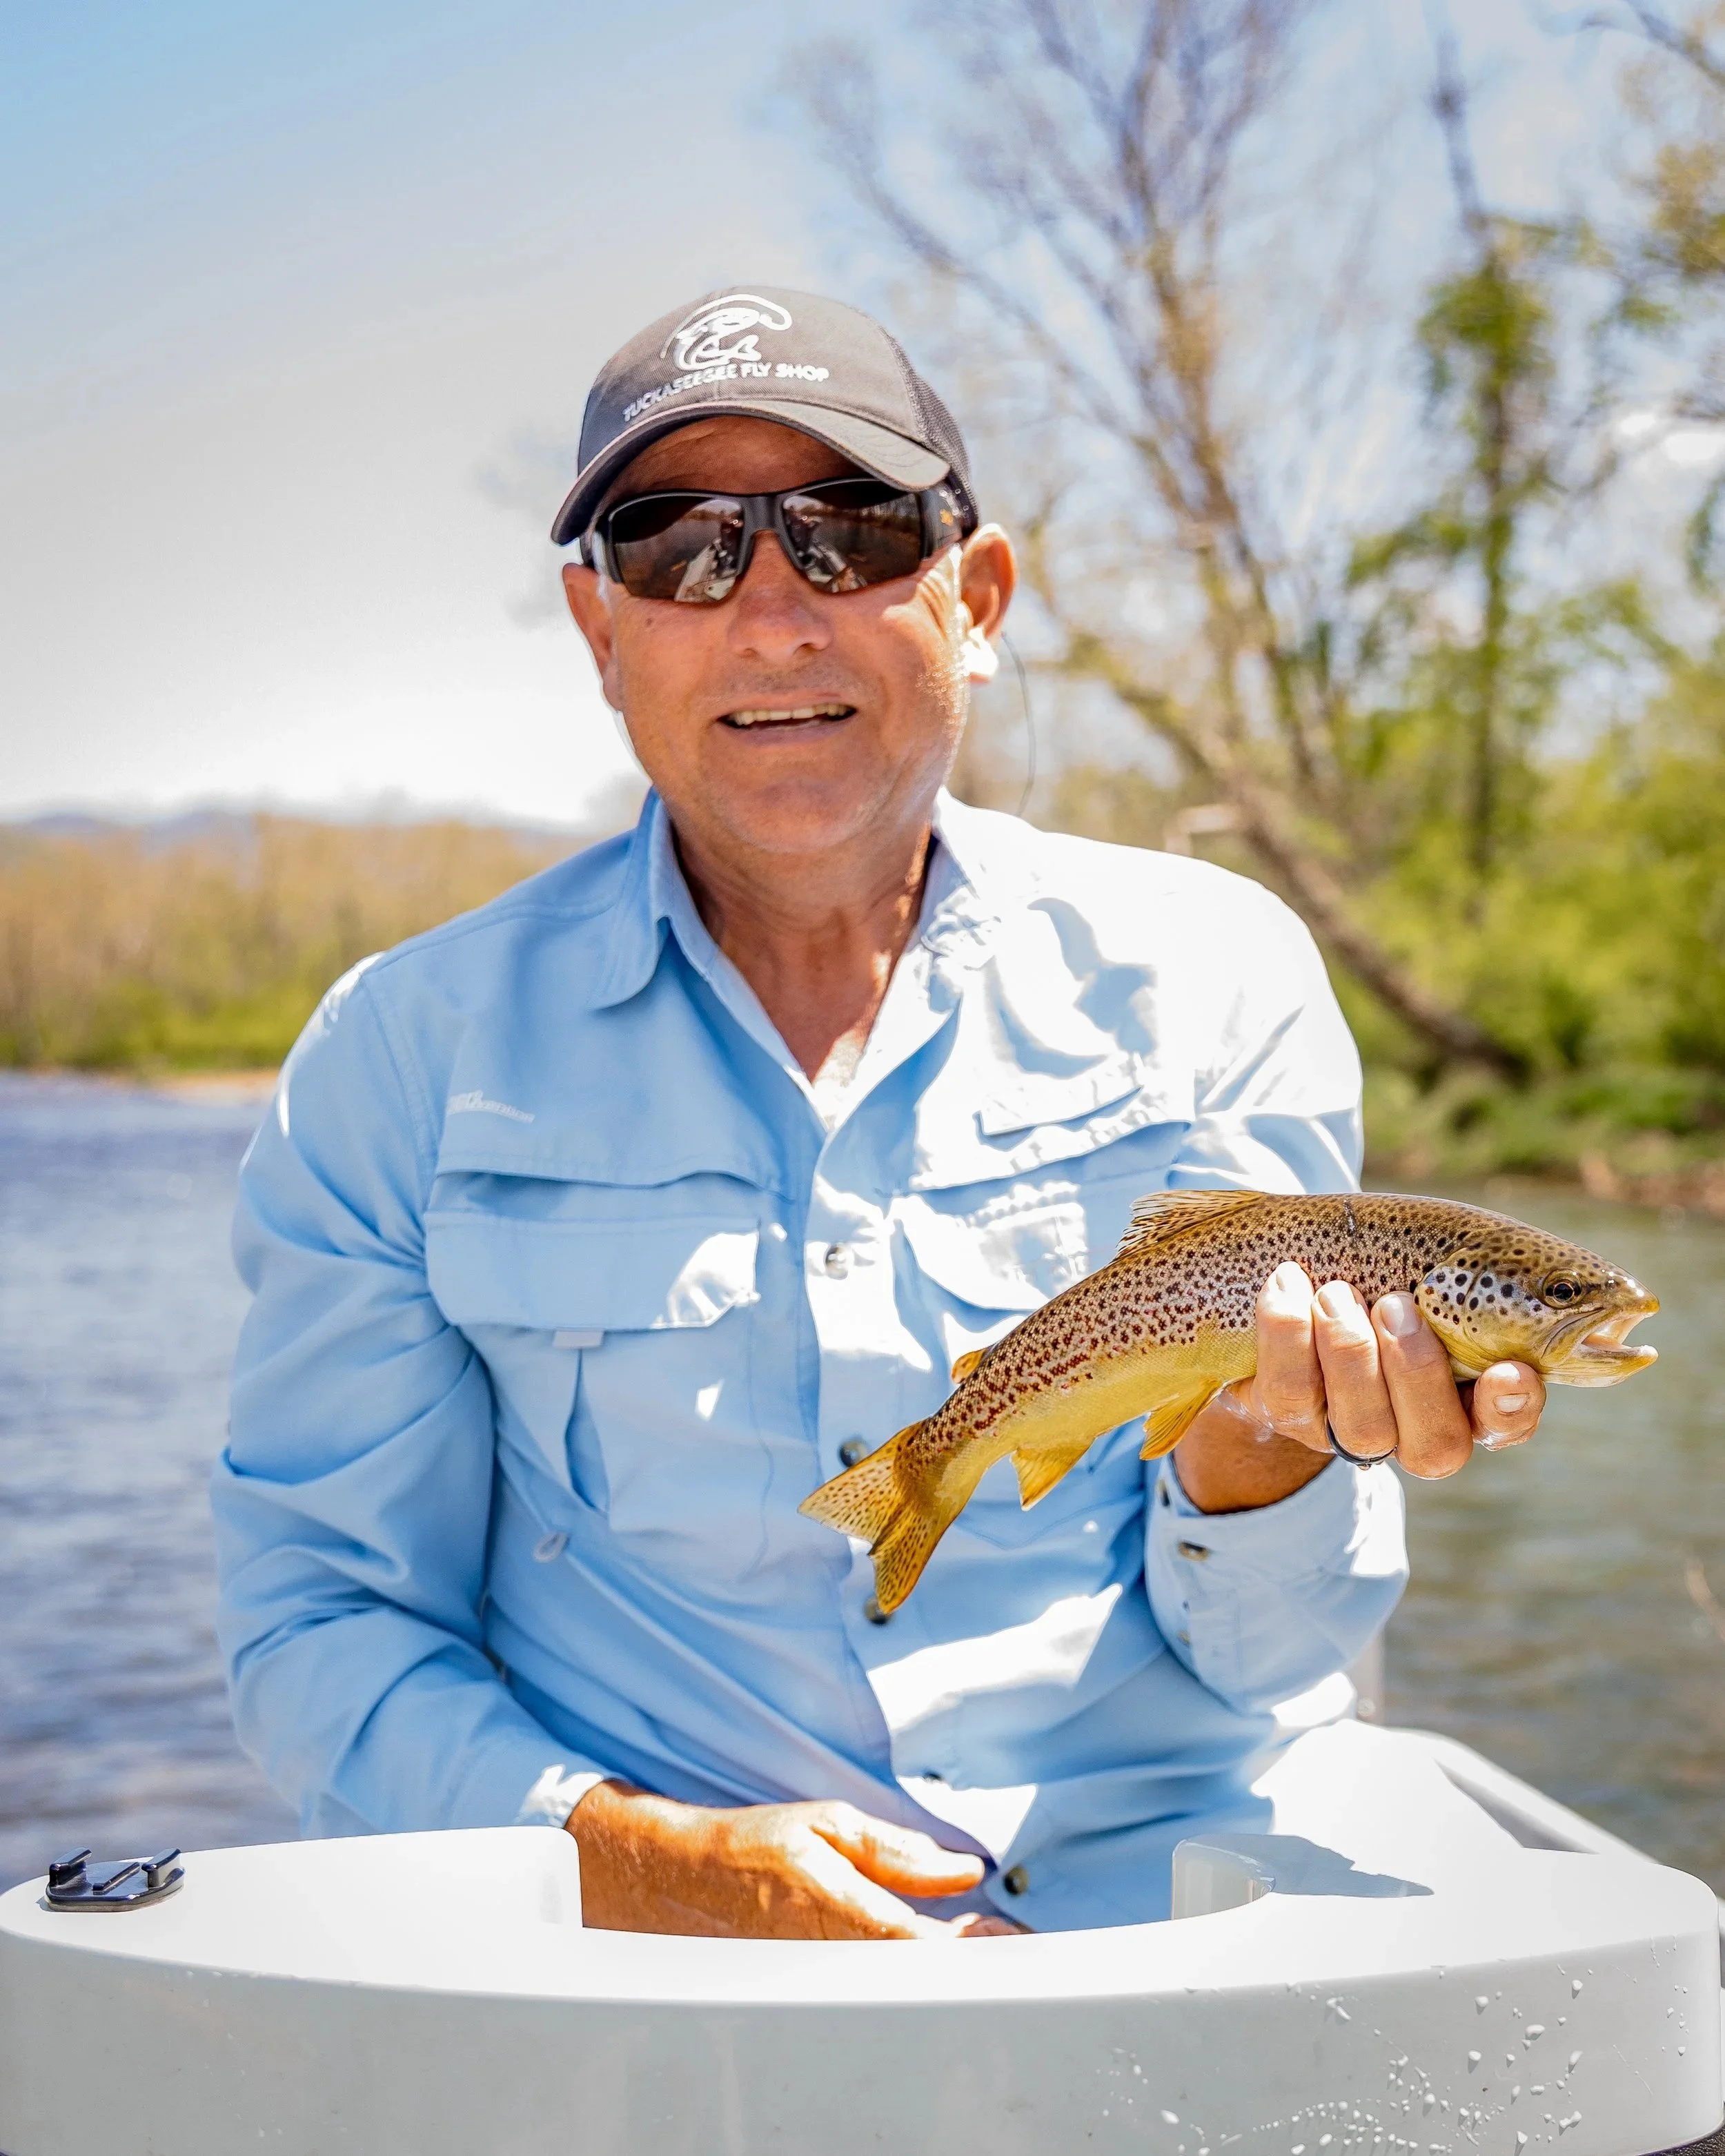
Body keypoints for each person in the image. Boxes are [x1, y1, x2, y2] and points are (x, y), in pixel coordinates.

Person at [213, 286, 1546, 1940]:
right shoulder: (398, 1054)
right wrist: (638, 1861)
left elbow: (1273, 1655)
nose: (774, 618)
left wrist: (1263, 1441)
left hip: (1167, 1936)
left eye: (847, 531)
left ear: (973, 601)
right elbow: (321, 1618)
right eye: (681, 548)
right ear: (601, 631)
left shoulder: (1219, 975)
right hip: (645, 1975)